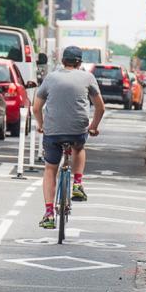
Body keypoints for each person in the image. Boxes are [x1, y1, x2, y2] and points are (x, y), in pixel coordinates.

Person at [32, 46, 105, 229]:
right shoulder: (88, 77)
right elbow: (100, 107)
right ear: (79, 62)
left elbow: (36, 108)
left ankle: (49, 213)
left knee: (50, 168)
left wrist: (41, 125)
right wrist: (93, 127)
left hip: (53, 131)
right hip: (77, 130)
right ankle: (77, 184)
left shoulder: (50, 78)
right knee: (79, 147)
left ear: (62, 61)